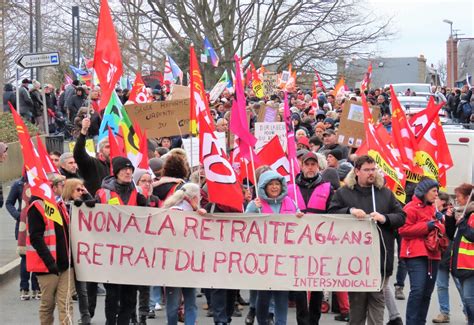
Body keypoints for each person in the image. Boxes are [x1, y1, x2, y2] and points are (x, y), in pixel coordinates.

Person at [329, 155, 405, 325]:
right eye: (367, 170)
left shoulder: (385, 193)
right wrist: (350, 211)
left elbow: (401, 216)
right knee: (357, 306)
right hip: (354, 261)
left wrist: (384, 218)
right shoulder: (344, 193)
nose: (371, 173)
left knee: (377, 303)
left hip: (381, 259)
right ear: (357, 171)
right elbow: (332, 213)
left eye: (373, 169)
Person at [246, 170, 303, 325]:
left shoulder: (290, 202)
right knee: (263, 296)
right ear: (264, 187)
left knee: (281, 295)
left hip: (284, 257)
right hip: (263, 258)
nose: (274, 187)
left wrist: (299, 217)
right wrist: (251, 209)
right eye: (270, 184)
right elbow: (244, 226)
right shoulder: (256, 204)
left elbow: (300, 225)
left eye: (277, 183)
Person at [287, 152, 338, 324]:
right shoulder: (290, 188)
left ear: (318, 167)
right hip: (296, 244)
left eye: (313, 164)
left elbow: (334, 212)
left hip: (319, 245)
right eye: (307, 164)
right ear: (301, 166)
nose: (310, 167)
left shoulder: (327, 187)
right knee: (300, 285)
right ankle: (302, 320)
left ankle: (314, 319)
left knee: (317, 285)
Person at [95, 157, 147, 325]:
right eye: (124, 169)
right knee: (112, 296)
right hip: (110, 255)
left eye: (130, 169)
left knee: (130, 298)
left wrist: (146, 206)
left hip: (132, 256)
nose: (128, 172)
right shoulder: (103, 193)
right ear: (116, 172)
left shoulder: (138, 194)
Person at [27, 174, 75, 324]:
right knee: (47, 305)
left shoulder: (60, 205)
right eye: (62, 185)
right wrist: (49, 262)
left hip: (65, 265)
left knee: (66, 304)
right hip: (46, 266)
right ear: (52, 187)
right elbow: (35, 237)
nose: (65, 188)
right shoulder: (37, 207)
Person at [399, 178, 445, 325]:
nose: (436, 194)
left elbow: (441, 232)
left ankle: (420, 322)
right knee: (418, 290)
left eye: (437, 191)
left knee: (426, 293)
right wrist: (427, 226)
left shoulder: (434, 209)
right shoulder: (410, 208)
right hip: (415, 254)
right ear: (424, 192)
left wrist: (441, 222)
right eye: (434, 191)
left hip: (433, 254)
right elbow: (403, 230)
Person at [162, 183, 206, 325]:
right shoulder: (180, 212)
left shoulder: (176, 210)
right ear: (193, 198)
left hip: (174, 265)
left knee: (175, 303)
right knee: (188, 302)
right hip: (183, 264)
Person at [62, 178, 93, 325]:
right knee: (66, 290)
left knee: (82, 289)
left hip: (80, 253)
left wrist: (87, 196)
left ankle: (85, 317)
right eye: (78, 190)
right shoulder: (63, 207)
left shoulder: (84, 205)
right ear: (69, 190)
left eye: (82, 189)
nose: (81, 192)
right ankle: (66, 317)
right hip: (66, 253)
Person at [6, 172, 40, 301]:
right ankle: (24, 288)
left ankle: (36, 287)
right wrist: (18, 216)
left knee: (38, 256)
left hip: (37, 225)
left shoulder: (40, 184)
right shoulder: (18, 185)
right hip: (22, 228)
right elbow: (9, 203)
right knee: (25, 257)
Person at [432, 191, 465, 323]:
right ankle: (444, 312)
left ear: (442, 202)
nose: (434, 199)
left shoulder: (451, 213)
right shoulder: (433, 213)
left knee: (460, 285)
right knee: (441, 285)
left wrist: (450, 217)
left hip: (452, 255)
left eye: (437, 198)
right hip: (440, 255)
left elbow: (451, 233)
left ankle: (468, 311)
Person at [446, 183, 474, 325]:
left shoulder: (471, 215)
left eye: (459, 197)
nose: (457, 201)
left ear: (468, 197)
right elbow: (451, 235)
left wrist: (462, 224)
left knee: (469, 299)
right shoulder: (462, 213)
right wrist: (450, 219)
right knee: (467, 300)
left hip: (471, 266)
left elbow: (472, 235)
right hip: (461, 264)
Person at [74, 117, 111, 196]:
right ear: (100, 150)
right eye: (107, 147)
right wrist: (83, 131)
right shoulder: (93, 163)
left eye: (113, 147)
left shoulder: (118, 167)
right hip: (96, 205)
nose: (111, 150)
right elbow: (79, 153)